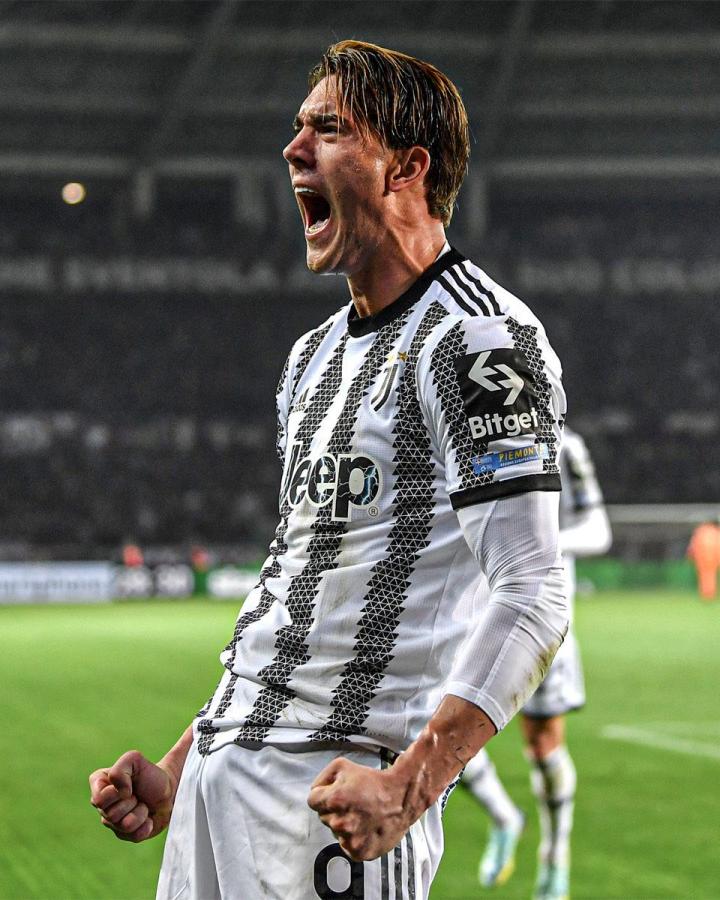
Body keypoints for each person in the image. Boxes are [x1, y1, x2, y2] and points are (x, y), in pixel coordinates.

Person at [89, 41, 569, 900]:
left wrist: (410, 788)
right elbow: (297, 589)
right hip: (220, 784)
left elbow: (534, 590)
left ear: (406, 167)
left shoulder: (478, 341)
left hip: (335, 796)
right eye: (298, 127)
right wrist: (181, 764)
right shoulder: (311, 358)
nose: (293, 148)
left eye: (329, 129)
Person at [462, 427, 612, 900]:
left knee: (543, 744)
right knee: (438, 726)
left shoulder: (565, 445)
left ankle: (554, 855)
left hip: (543, 615)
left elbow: (598, 530)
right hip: (472, 613)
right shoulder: (462, 436)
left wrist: (538, 544)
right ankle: (504, 816)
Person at [686, 519, 720, 600]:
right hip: (713, 557)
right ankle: (709, 593)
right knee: (710, 575)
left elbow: (693, 545)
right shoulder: (716, 532)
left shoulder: (700, 531)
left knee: (705, 575)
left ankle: (706, 593)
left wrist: (690, 555)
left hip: (702, 557)